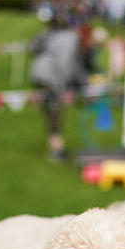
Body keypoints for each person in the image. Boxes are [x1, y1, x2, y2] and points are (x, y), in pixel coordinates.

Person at [29, 14, 91, 161]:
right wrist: (75, 84)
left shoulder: (48, 34)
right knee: (55, 113)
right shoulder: (71, 38)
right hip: (51, 77)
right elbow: (67, 64)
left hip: (37, 73)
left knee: (51, 113)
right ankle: (56, 150)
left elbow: (32, 48)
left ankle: (55, 146)